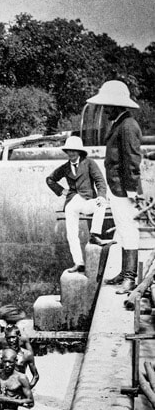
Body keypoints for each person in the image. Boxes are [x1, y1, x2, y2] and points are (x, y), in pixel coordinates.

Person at [87, 80, 144, 293]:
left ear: (117, 106)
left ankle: (130, 278)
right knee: (121, 230)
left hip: (124, 189)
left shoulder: (128, 126)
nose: (105, 109)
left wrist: (131, 191)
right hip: (117, 188)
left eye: (107, 106)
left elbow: (132, 160)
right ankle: (123, 272)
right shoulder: (120, 123)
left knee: (129, 230)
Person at [46, 136, 111, 274]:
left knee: (102, 204)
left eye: (74, 151)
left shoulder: (89, 163)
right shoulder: (65, 167)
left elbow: (100, 181)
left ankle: (94, 235)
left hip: (88, 200)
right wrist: (62, 191)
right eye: (69, 151)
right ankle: (78, 262)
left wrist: (100, 196)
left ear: (80, 152)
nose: (71, 154)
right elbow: (50, 179)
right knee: (71, 231)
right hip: (73, 201)